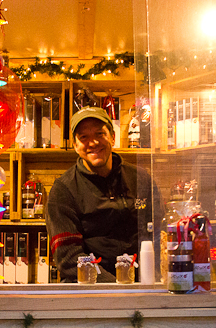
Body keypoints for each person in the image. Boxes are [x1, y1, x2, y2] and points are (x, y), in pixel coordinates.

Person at [46, 106, 161, 282]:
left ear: (112, 137)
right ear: (75, 145)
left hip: (142, 284)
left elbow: (159, 233)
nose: (93, 143)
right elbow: (68, 258)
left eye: (100, 134)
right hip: (91, 290)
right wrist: (116, 287)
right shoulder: (63, 190)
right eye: (84, 137)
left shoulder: (140, 178)